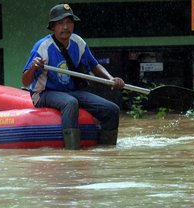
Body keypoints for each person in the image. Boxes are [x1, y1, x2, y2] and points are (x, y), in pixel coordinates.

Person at [22, 4, 125, 150]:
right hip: (45, 94)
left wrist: (110, 78)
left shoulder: (78, 42)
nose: (65, 27)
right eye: (60, 23)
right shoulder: (42, 46)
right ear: (53, 27)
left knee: (112, 109)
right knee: (70, 103)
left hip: (72, 91)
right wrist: (34, 67)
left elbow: (94, 66)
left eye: (69, 22)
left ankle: (107, 151)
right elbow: (25, 81)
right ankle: (72, 152)